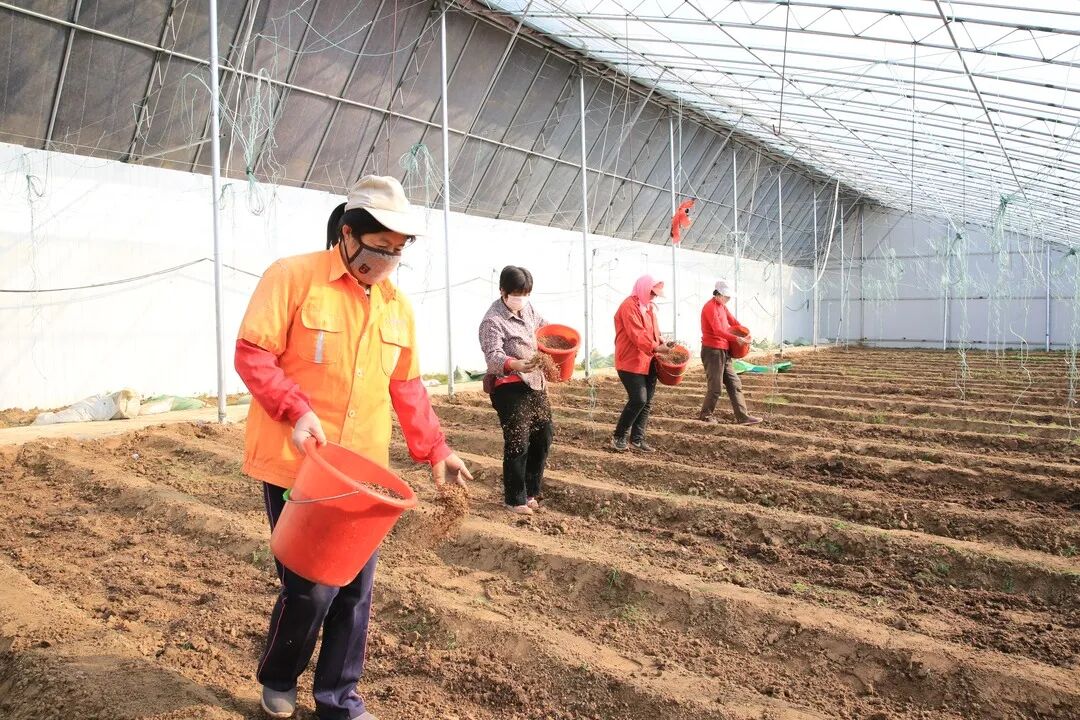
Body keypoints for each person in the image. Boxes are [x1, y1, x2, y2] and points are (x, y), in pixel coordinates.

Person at [234, 175, 473, 720]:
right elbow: (253, 354)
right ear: (347, 234)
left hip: (361, 472)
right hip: (300, 462)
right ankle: (278, 677)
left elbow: (406, 386)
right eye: (377, 249)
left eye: (397, 252)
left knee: (354, 591)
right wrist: (296, 410)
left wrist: (436, 449)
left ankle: (338, 700)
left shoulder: (396, 306)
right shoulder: (294, 278)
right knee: (312, 588)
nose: (386, 262)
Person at [478, 266, 555, 515]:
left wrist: (557, 341)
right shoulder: (493, 320)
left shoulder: (528, 309)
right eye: (517, 293)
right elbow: (493, 357)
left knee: (543, 436)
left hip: (535, 382)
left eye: (526, 293)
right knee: (517, 442)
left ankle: (531, 491)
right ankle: (514, 498)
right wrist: (514, 364)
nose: (521, 298)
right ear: (503, 291)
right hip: (509, 386)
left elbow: (545, 330)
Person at [612, 275, 671, 453]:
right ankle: (619, 436)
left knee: (647, 402)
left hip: (649, 360)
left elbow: (653, 331)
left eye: (655, 294)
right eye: (651, 293)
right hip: (630, 361)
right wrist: (657, 347)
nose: (653, 296)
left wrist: (661, 340)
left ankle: (637, 440)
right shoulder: (629, 306)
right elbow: (637, 335)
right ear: (643, 289)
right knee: (639, 399)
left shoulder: (649, 307)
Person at [698, 280, 762, 425]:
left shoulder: (722, 307)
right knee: (715, 387)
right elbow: (718, 331)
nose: (728, 299)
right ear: (718, 294)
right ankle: (705, 415)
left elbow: (733, 322)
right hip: (712, 351)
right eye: (726, 296)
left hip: (724, 350)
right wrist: (736, 338)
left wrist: (744, 333)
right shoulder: (710, 308)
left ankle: (742, 417)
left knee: (734, 383)